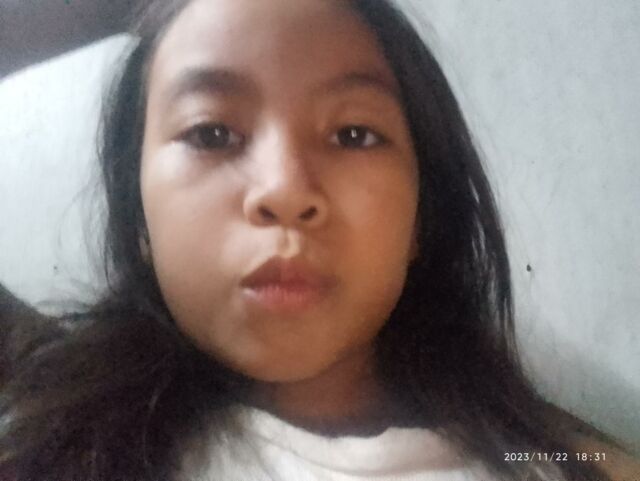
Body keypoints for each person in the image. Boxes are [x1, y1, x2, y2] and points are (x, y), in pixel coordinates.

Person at [1, 0, 639, 480]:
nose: (284, 189)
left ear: (421, 216)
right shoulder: (55, 454)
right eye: (211, 133)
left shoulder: (551, 456)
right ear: (139, 219)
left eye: (353, 134)